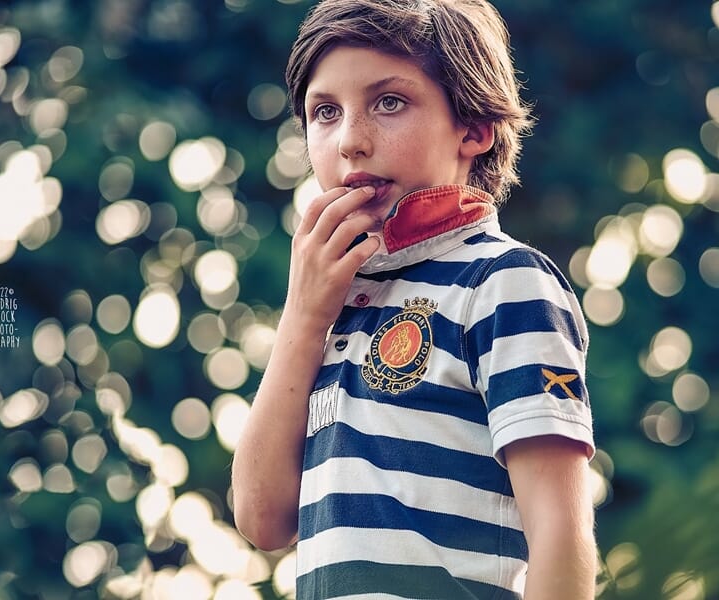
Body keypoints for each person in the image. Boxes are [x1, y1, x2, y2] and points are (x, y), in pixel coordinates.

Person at [232, 0, 597, 598]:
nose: (351, 140)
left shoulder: (503, 281)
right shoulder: (333, 307)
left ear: (474, 128)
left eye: (389, 102)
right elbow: (262, 519)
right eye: (325, 113)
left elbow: (560, 528)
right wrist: (303, 316)